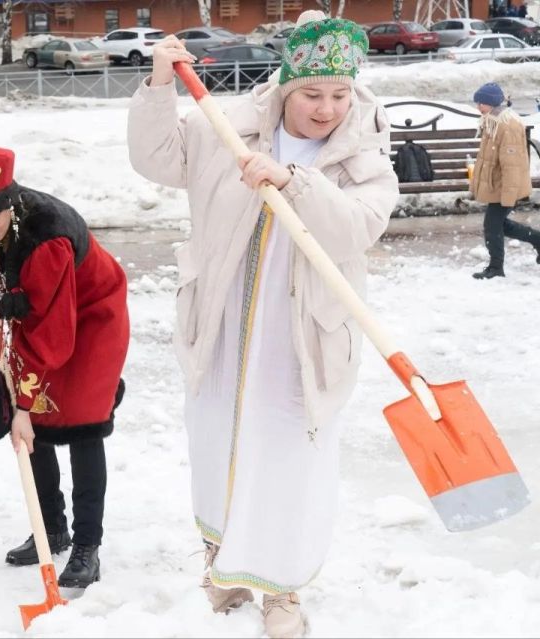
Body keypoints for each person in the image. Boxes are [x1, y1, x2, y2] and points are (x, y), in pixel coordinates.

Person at [127, 11, 398, 638]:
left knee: (286, 459)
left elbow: (359, 226)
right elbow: (158, 158)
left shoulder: (362, 151)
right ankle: (224, 564)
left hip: (301, 338)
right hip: (222, 322)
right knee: (218, 442)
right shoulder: (231, 130)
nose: (326, 109)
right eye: (312, 94)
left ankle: (283, 590)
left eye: (338, 95)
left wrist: (296, 182)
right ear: (284, 87)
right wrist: (160, 87)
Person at [0, 144, 129, 588]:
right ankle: (51, 529)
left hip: (91, 315)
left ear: (11, 199)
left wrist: (21, 405)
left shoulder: (47, 239)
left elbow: (52, 336)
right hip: (36, 307)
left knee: (80, 421)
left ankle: (86, 546)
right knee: (35, 426)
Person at [468, 82, 540, 279]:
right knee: (500, 225)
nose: (478, 107)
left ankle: (496, 268)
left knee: (491, 226)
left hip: (506, 186)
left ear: (491, 103)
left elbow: (512, 165)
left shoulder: (508, 125)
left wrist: (509, 196)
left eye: (481, 103)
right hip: (497, 185)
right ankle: (538, 240)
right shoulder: (493, 121)